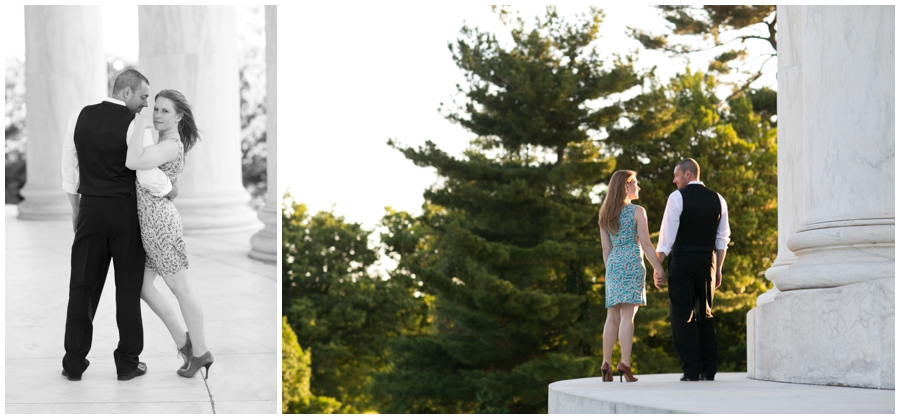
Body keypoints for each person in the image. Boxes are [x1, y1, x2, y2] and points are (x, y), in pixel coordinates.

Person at [61, 69, 176, 381]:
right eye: (142, 97)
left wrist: (76, 209)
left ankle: (73, 362)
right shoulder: (137, 125)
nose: (145, 104)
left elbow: (69, 166)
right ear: (126, 93)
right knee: (127, 290)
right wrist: (170, 189)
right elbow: (146, 174)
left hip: (90, 210)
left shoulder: (78, 116)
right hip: (125, 214)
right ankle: (127, 363)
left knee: (82, 286)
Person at [125, 89, 213, 379]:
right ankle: (184, 342)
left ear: (179, 116)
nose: (158, 115)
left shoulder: (171, 145)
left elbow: (133, 162)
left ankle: (200, 352)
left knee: (182, 290)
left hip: (161, 226)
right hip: (150, 226)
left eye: (165, 111)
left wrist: (139, 126)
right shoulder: (163, 141)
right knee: (142, 287)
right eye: (156, 109)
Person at [654, 158, 730, 382]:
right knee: (704, 313)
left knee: (681, 314)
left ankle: (691, 370)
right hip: (708, 261)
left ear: (688, 174)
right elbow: (722, 239)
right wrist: (718, 270)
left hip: (683, 260)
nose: (674, 180)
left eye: (676, 175)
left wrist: (658, 267)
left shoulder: (677, 197)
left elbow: (666, 238)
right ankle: (709, 369)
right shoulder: (719, 199)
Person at [597, 170, 666, 383]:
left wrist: (611, 271)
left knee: (612, 317)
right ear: (626, 186)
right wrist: (659, 269)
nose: (639, 187)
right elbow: (645, 244)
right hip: (632, 265)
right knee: (628, 317)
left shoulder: (604, 214)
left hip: (614, 266)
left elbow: (605, 249)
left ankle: (606, 363)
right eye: (636, 183)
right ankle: (625, 363)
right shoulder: (637, 211)